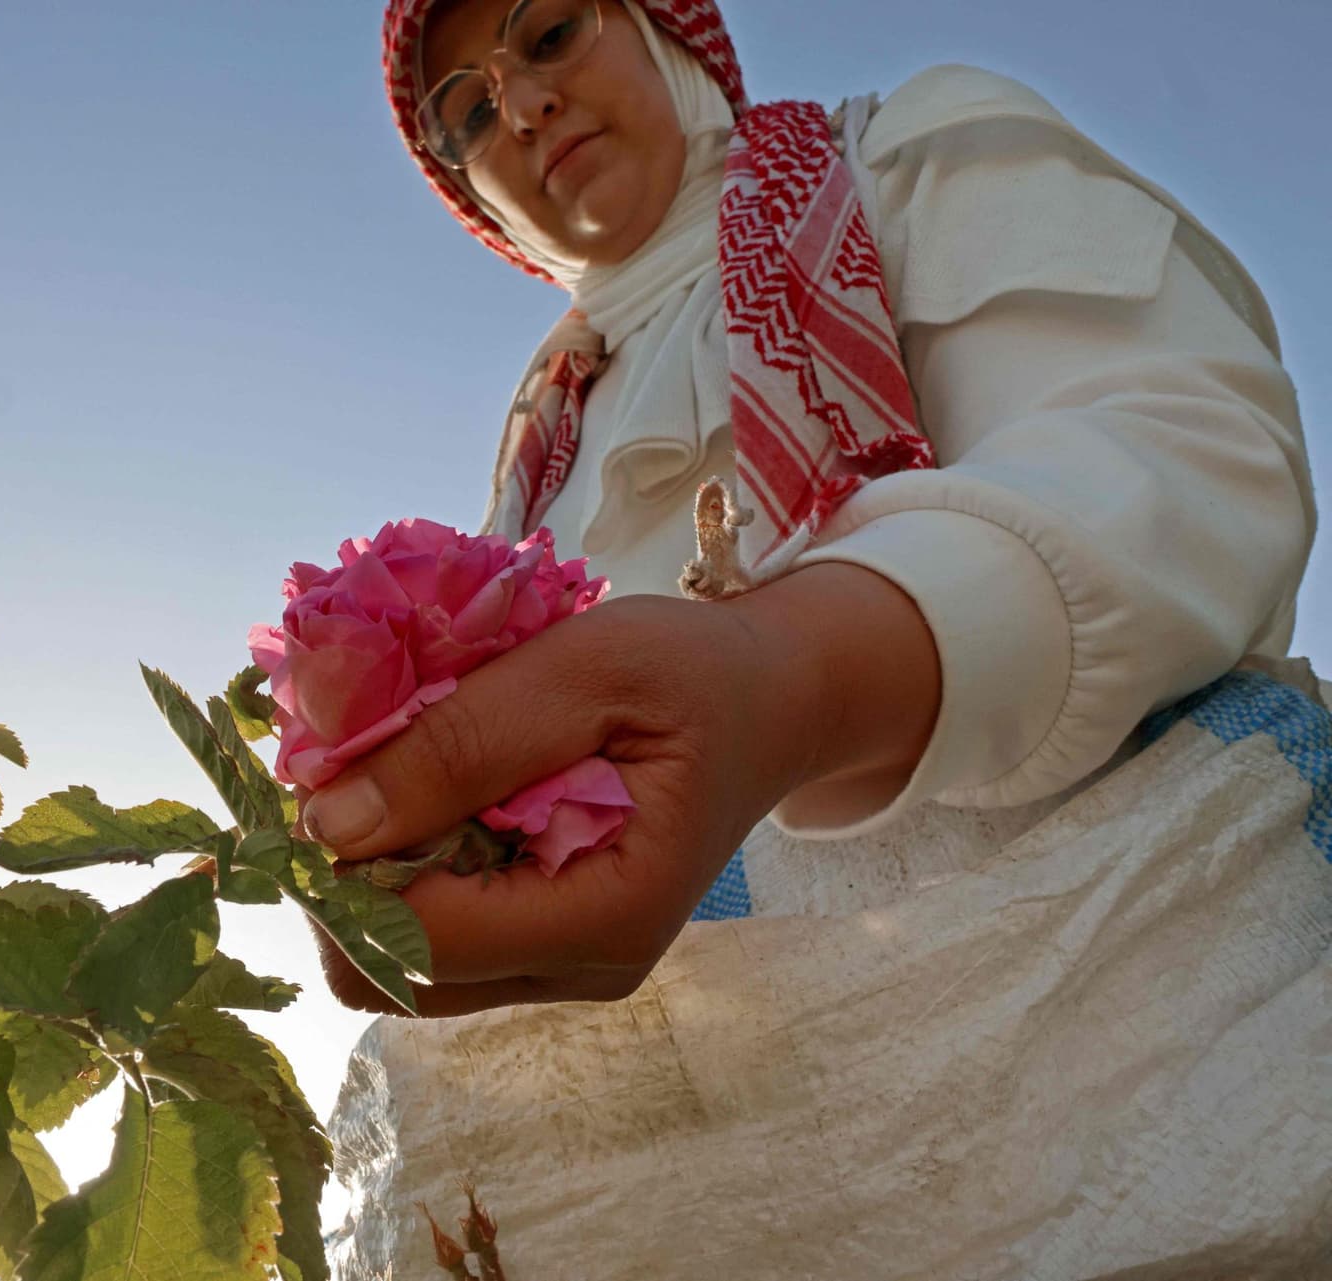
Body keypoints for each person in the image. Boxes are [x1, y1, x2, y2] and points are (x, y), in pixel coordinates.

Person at [306, 1, 1332, 1276]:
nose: (520, 109)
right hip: (676, 1139)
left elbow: (1182, 459)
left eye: (554, 31)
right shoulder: (541, 435)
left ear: (669, 33)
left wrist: (792, 675)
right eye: (465, 110)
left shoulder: (901, 153)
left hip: (1098, 1017)